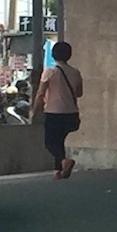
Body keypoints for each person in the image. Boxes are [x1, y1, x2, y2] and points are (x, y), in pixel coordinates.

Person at [35, 42, 83, 179]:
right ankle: (58, 171)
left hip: (53, 112)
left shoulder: (50, 71)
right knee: (59, 140)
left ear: (53, 54)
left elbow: (40, 93)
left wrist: (35, 110)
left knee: (50, 142)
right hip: (71, 113)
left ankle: (63, 161)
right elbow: (79, 93)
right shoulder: (75, 72)